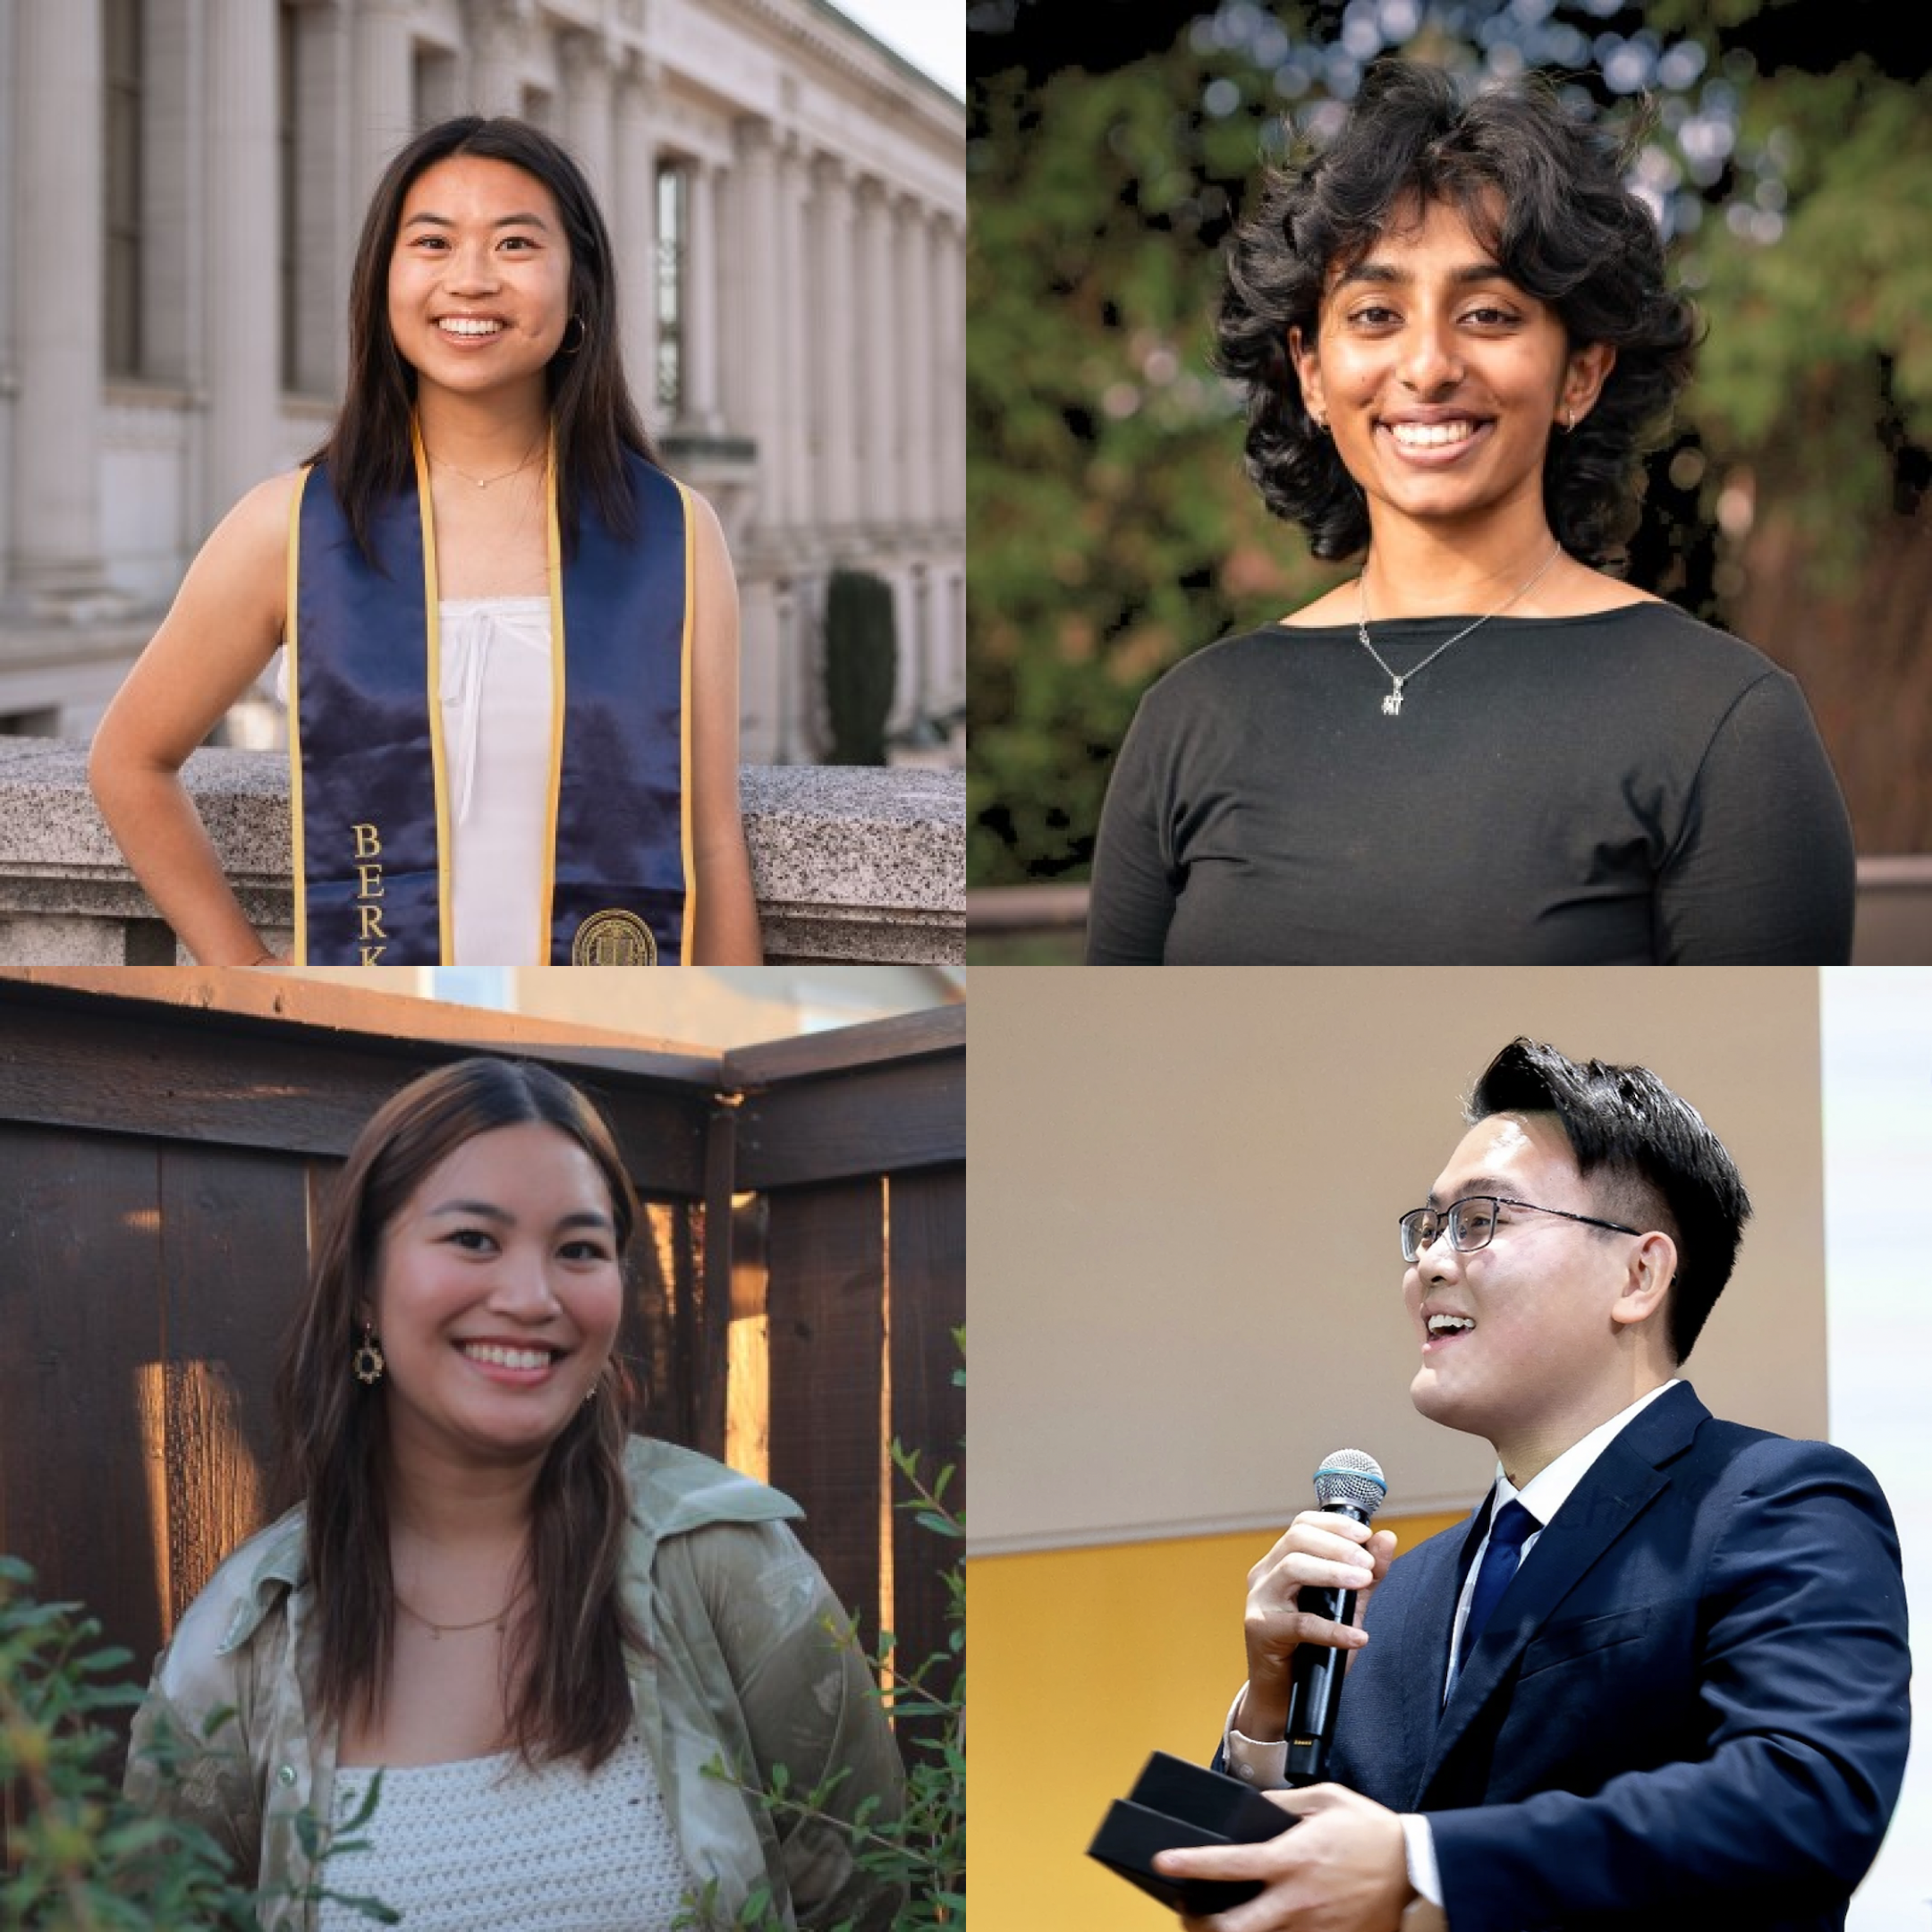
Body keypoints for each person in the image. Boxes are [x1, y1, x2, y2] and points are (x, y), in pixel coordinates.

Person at [1084, 59, 1856, 966]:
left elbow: (1740, 1096)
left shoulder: (1725, 722)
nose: (1427, 366)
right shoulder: (1191, 718)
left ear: (1580, 373)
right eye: (1374, 315)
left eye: (1488, 315)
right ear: (1310, 372)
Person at [123, 1056, 902, 1931]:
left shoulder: (724, 1561)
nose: (532, 1298)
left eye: (578, 1250)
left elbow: (870, 1896)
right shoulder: (242, 1641)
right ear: (367, 1285)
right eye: (473, 1240)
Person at [1153, 1038, 1910, 1931]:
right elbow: (1233, 1900)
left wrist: (1421, 1864)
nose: (1429, 1263)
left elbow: (1806, 1800)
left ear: (1639, 1274)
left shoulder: (1772, 1501)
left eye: (1480, 1222)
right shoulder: (1388, 1597)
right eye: (1427, 1227)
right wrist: (1268, 1714)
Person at [89, 116, 762, 968]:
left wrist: (739, 1046)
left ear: (579, 287)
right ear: (386, 281)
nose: (471, 280)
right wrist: (250, 978)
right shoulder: (293, 527)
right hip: (374, 1042)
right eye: (433, 243)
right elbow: (130, 762)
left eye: (515, 244)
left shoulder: (671, 534)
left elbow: (710, 843)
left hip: (610, 1042)